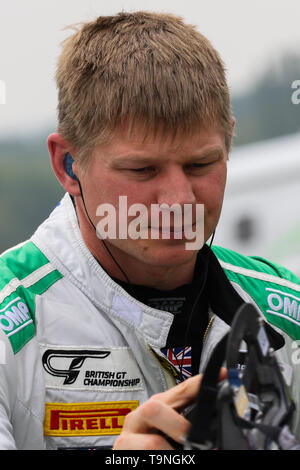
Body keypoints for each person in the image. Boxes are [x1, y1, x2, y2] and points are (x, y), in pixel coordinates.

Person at [0, 11, 299, 451]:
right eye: (142, 170)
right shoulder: (13, 317)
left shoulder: (285, 308)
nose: (179, 201)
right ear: (68, 164)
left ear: (229, 143)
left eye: (200, 164)